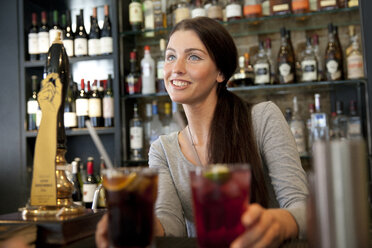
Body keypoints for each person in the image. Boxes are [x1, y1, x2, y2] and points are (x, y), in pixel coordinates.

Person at [96, 17, 308, 248]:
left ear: (220, 72)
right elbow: (171, 223)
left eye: (193, 57)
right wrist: (138, 223)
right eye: (170, 57)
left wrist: (279, 222)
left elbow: (302, 207)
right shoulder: (162, 150)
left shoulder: (261, 119)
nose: (176, 68)